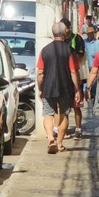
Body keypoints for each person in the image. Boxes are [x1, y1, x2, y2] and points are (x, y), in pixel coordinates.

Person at [36, 22, 82, 154]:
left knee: (48, 114)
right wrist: (78, 89)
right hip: (65, 88)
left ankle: (50, 137)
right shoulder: (69, 51)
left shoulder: (44, 50)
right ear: (64, 33)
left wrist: (40, 88)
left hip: (48, 87)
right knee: (64, 114)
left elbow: (40, 73)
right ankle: (60, 143)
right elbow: (74, 72)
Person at [61, 18, 88, 140]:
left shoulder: (77, 38)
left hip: (76, 75)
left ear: (68, 28)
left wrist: (70, 56)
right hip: (64, 77)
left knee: (77, 105)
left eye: (65, 28)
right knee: (63, 107)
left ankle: (78, 129)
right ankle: (63, 130)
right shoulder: (60, 40)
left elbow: (81, 54)